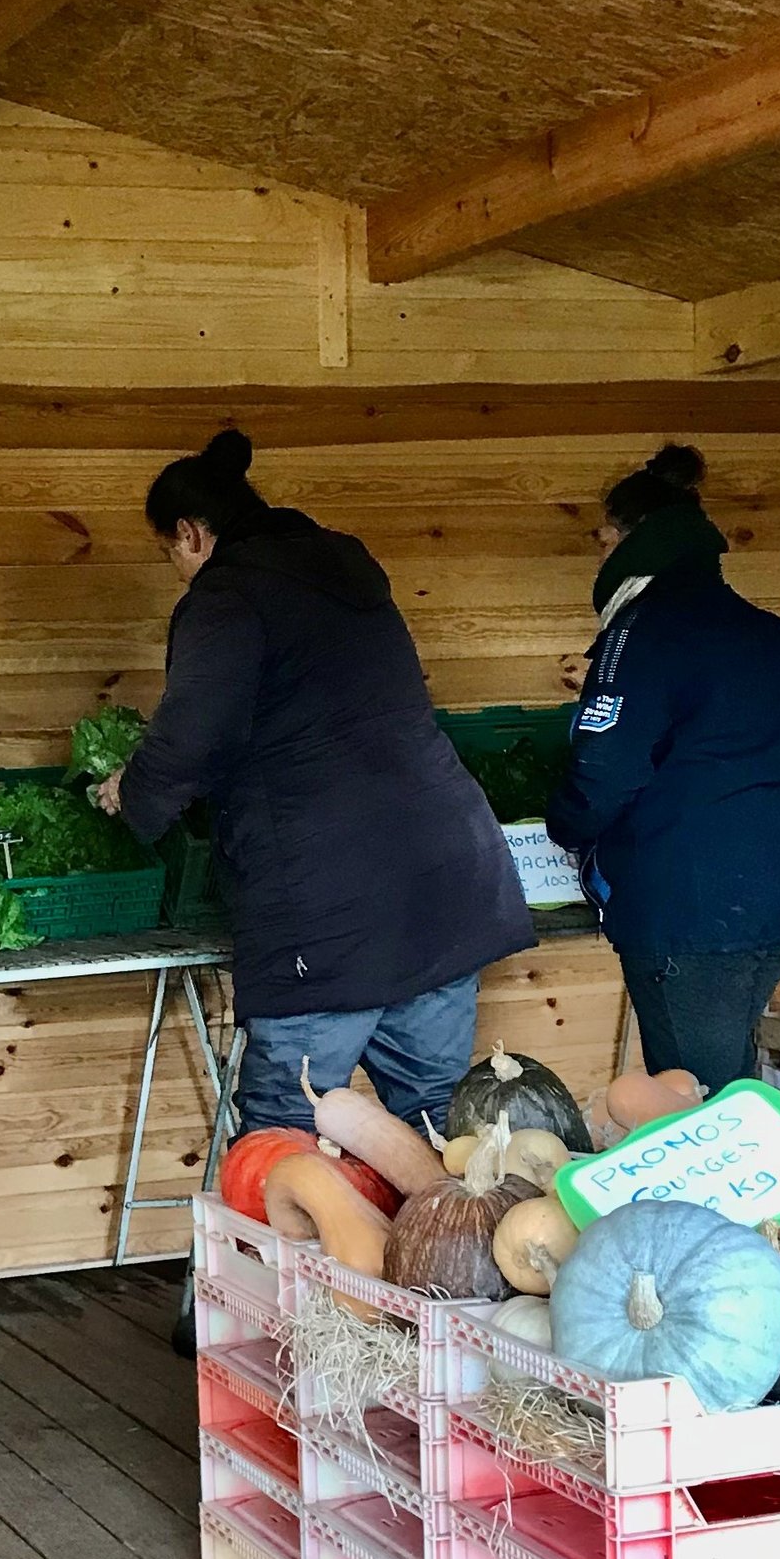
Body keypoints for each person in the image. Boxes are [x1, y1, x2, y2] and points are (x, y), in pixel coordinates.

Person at [100, 429, 529, 1137]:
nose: (176, 570)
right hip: (446, 884)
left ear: (189, 533)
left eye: (168, 554)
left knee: (285, 1134)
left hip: (329, 909)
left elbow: (190, 735)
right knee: (438, 1131)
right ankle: (444, 1251)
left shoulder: (227, 597)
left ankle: (281, 1256)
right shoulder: (344, 570)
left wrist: (134, 791)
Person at [546, 442, 780, 1092]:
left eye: (602, 543)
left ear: (634, 541)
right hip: (778, 895)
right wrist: (773, 810)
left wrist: (564, 826)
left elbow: (606, 768)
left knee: (697, 1102)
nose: (597, 560)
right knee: (729, 1081)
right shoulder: (761, 630)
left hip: (687, 909)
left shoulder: (642, 631)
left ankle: (728, 1198)